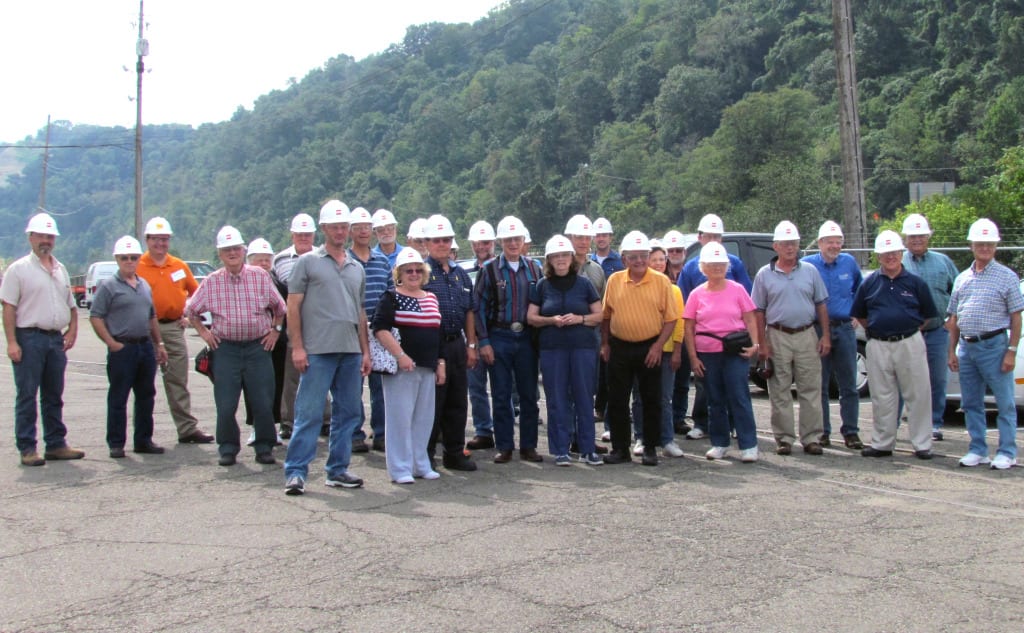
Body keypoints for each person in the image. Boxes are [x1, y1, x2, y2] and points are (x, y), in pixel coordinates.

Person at [282, 201, 372, 494]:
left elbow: (359, 313)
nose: (339, 231)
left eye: (343, 226)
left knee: (348, 414)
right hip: (318, 350)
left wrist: (365, 351)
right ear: (323, 229)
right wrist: (298, 347)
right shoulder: (307, 262)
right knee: (308, 414)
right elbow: (292, 306)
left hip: (350, 351)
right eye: (334, 226)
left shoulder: (357, 267)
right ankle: (296, 472)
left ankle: (337, 470)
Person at [185, 226, 286, 467]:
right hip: (226, 349)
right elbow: (191, 310)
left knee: (262, 400)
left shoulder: (260, 277)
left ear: (243, 251)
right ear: (220, 254)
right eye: (226, 250)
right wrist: (204, 333)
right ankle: (228, 448)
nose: (232, 253)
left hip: (257, 348)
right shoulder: (212, 282)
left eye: (236, 249)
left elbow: (280, 308)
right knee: (226, 402)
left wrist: (275, 331)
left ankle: (264, 446)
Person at [1, 212, 85, 466]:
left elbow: (71, 305)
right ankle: (27, 448)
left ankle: (56, 444)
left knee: (53, 395)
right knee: (27, 394)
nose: (46, 240)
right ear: (31, 237)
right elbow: (9, 307)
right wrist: (12, 342)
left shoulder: (60, 269)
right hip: (30, 337)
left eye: (50, 236)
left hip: (54, 339)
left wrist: (71, 331)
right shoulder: (18, 270)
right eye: (41, 236)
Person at [851, 231, 937, 460]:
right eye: (885, 253)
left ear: (901, 253)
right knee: (882, 396)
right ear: (878, 256)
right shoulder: (869, 284)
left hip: (909, 342)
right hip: (878, 344)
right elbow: (860, 314)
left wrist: (906, 329)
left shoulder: (916, 283)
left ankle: (922, 444)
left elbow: (927, 315)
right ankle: (882, 443)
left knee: (918, 394)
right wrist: (881, 328)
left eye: (895, 252)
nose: (890, 257)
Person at [947, 218, 1023, 470]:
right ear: (971, 245)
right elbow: (954, 317)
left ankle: (1007, 451)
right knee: (970, 402)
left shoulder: (1007, 277)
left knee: (1004, 402)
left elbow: (1015, 316)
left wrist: (1011, 351)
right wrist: (952, 350)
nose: (985, 248)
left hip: (994, 345)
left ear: (995, 247)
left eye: (989, 244)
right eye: (981, 243)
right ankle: (978, 449)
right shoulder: (962, 278)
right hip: (967, 347)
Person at [601, 231, 681, 466]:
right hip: (619, 347)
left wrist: (658, 346)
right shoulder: (615, 280)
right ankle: (620, 449)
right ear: (624, 259)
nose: (639, 261)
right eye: (633, 257)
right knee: (617, 399)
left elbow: (671, 319)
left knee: (651, 399)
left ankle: (650, 448)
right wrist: (604, 343)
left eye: (643, 256)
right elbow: (606, 316)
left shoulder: (661, 281)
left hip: (649, 346)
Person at [751, 220, 830, 456]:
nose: (790, 248)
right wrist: (761, 343)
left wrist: (825, 335)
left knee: (810, 388)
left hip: (806, 333)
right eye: (785, 244)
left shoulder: (811, 272)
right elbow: (758, 311)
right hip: (777, 335)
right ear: (775, 246)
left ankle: (812, 437)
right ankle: (784, 438)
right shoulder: (764, 275)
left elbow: (821, 305)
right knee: (779, 388)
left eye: (793, 243)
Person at [136, 216, 215, 444]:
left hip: (172, 328)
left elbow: (197, 294)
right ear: (147, 240)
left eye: (165, 239)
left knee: (178, 380)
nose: (160, 244)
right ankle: (143, 436)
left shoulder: (179, 266)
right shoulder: (138, 266)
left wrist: (188, 315)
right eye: (156, 239)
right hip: (144, 330)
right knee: (143, 384)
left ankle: (187, 428)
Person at [89, 236, 169, 458]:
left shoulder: (143, 285)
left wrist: (158, 343)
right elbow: (96, 316)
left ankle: (143, 440)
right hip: (123, 348)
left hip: (144, 347)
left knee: (146, 395)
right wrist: (111, 343)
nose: (129, 261)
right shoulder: (108, 286)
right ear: (117, 259)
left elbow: (151, 316)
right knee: (118, 396)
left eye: (134, 257)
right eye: (125, 258)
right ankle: (116, 443)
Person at [527, 235, 604, 466]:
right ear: (549, 260)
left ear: (571, 258)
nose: (560, 260)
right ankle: (560, 449)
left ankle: (588, 449)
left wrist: (580, 318)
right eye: (556, 256)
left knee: (583, 397)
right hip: (553, 349)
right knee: (557, 399)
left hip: (582, 347)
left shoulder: (584, 284)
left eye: (564, 255)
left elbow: (599, 314)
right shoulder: (542, 285)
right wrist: (551, 320)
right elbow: (531, 317)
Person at [683, 242, 760, 462]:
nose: (717, 267)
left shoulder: (737, 289)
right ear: (703, 267)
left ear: (727, 266)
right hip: (708, 354)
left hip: (734, 352)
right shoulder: (697, 294)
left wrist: (755, 344)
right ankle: (719, 443)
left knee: (739, 396)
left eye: (721, 264)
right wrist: (693, 356)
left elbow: (750, 317)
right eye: (712, 264)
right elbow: (688, 326)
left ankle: (749, 444)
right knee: (714, 399)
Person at [372, 247, 444, 483]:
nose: (413, 274)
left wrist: (440, 362)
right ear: (399, 273)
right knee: (400, 419)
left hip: (427, 366)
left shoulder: (431, 297)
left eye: (417, 270)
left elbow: (438, 332)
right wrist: (400, 355)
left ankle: (420, 464)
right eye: (408, 270)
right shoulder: (391, 296)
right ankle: (400, 469)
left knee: (424, 419)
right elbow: (380, 329)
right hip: (402, 368)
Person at [475, 215, 543, 464]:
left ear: (524, 240)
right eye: (508, 239)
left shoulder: (535, 268)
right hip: (499, 336)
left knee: (528, 395)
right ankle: (504, 446)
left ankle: (529, 446)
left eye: (517, 238)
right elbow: (478, 308)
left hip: (526, 337)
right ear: (500, 241)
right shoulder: (489, 270)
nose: (513, 243)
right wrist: (484, 342)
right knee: (501, 394)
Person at [678, 214, 753, 440]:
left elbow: (748, 302)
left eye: (717, 236)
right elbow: (684, 305)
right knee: (706, 387)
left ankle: (735, 428)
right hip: (705, 340)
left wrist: (755, 341)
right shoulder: (691, 267)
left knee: (736, 387)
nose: (713, 240)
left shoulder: (734, 263)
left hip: (734, 340)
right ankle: (702, 423)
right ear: (700, 237)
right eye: (709, 235)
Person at [422, 214, 479, 472]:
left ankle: (454, 453)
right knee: (432, 402)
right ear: (427, 243)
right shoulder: (420, 272)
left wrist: (471, 345)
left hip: (457, 343)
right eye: (437, 240)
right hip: (433, 343)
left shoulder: (461, 275)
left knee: (458, 400)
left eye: (446, 240)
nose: (442, 244)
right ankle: (425, 454)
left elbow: (469, 311)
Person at [801, 220, 863, 449]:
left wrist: (857, 311)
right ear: (820, 243)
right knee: (820, 383)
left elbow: (860, 288)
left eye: (838, 242)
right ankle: (822, 431)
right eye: (830, 242)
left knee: (849, 384)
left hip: (845, 328)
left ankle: (851, 432)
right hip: (817, 329)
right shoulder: (807, 265)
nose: (834, 246)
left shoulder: (849, 263)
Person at [901, 213, 959, 441]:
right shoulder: (899, 262)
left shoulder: (943, 262)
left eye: (921, 236)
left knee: (936, 379)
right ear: (905, 238)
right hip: (907, 333)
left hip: (937, 332)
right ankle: (895, 424)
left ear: (928, 237)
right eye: (912, 236)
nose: (917, 240)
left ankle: (934, 423)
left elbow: (958, 291)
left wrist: (951, 320)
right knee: (902, 380)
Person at [272, 212, 329, 439]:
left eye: (308, 234)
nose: (304, 238)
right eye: (300, 234)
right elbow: (283, 288)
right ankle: (288, 421)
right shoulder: (281, 258)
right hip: (293, 322)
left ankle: (325, 419)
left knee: (321, 371)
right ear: (293, 235)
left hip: (319, 322)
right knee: (292, 375)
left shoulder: (323, 256)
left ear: (314, 234)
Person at [629, 241, 685, 458]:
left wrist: (677, 350)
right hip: (643, 349)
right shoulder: (638, 286)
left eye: (662, 259)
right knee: (640, 396)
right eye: (655, 260)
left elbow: (678, 322)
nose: (659, 263)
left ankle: (667, 439)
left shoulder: (674, 290)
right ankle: (641, 437)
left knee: (664, 397)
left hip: (668, 350)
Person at [348, 206, 395, 454]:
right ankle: (355, 433)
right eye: (359, 227)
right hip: (352, 329)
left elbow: (390, 294)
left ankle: (381, 433)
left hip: (379, 330)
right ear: (350, 231)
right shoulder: (344, 261)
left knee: (380, 386)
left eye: (367, 227)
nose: (364, 231)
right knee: (352, 384)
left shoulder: (382, 261)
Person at [563, 214, 607, 455]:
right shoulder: (559, 267)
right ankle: (569, 437)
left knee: (588, 390)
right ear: (569, 238)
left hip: (591, 338)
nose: (582, 241)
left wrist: (603, 342)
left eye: (586, 237)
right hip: (564, 340)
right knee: (567, 390)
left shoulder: (597, 270)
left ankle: (585, 438)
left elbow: (602, 308)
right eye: (578, 237)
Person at [243, 238, 283, 441]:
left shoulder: (277, 283)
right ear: (250, 261)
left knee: (275, 384)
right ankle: (255, 427)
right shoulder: (243, 283)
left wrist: (277, 331)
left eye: (268, 260)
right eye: (260, 260)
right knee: (252, 387)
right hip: (253, 343)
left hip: (277, 342)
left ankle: (272, 427)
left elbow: (285, 309)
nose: (264, 264)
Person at [465, 220, 496, 450]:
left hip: (498, 335)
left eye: (486, 242)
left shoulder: (501, 269)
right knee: (476, 387)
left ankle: (503, 433)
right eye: (477, 243)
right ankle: (483, 430)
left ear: (493, 243)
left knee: (502, 387)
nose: (481, 247)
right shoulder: (465, 271)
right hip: (472, 338)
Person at [591, 217, 623, 435]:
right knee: (595, 374)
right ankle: (599, 409)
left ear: (611, 237)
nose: (601, 238)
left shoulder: (619, 263)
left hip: (612, 326)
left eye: (605, 235)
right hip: (590, 325)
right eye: (598, 235)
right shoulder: (587, 262)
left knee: (612, 374)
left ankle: (610, 420)